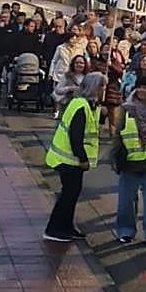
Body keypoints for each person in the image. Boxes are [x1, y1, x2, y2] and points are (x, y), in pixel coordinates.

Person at [43, 73, 106, 242]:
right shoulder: (80, 106)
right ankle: (55, 229)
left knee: (72, 194)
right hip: (69, 159)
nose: (103, 90)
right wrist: (83, 158)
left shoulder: (86, 104)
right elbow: (75, 136)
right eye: (101, 86)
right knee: (68, 195)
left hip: (71, 160)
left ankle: (67, 227)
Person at [111, 76, 146, 244]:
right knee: (127, 199)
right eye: (139, 87)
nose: (142, 91)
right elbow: (118, 134)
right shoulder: (127, 108)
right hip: (130, 161)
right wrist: (114, 158)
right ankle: (125, 231)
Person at [0, 11, 15, 99]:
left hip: (9, 55)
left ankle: (10, 93)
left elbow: (15, 39)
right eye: (2, 17)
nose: (4, 18)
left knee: (11, 75)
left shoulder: (13, 27)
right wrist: (0, 28)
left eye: (6, 17)